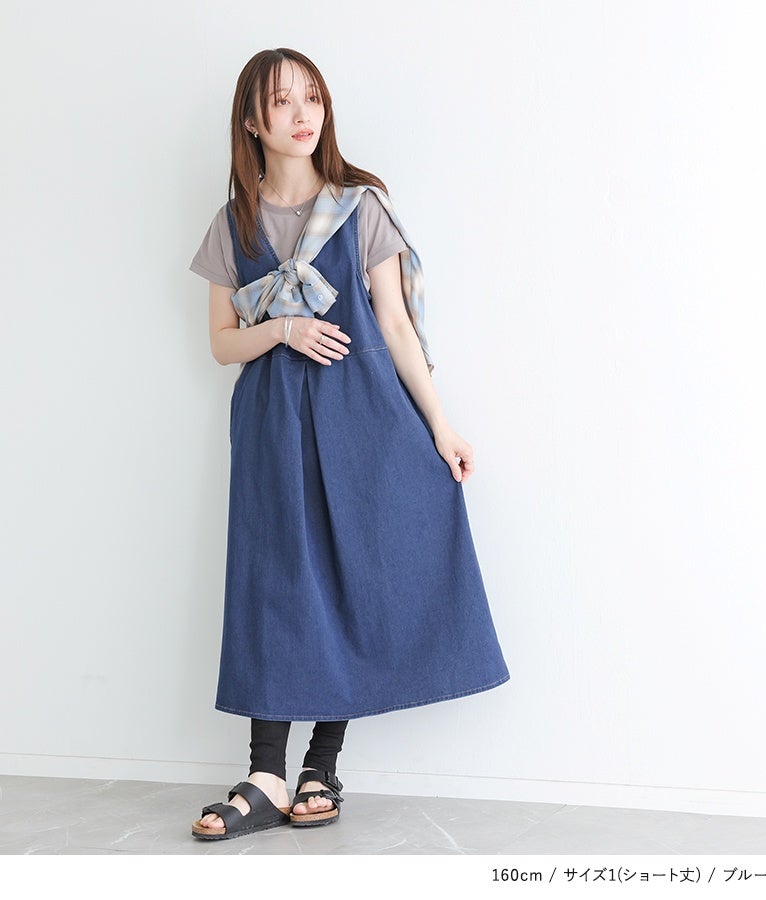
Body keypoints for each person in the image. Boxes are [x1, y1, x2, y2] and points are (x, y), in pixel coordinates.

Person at [188, 47, 510, 841]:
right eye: (282, 101)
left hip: (364, 415)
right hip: (271, 423)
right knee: (272, 581)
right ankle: (265, 774)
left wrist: (441, 425)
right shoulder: (233, 225)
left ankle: (320, 766)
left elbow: (396, 326)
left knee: (358, 573)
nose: (303, 114)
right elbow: (221, 344)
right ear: (251, 121)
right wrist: (283, 329)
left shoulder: (360, 208)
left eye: (313, 97)